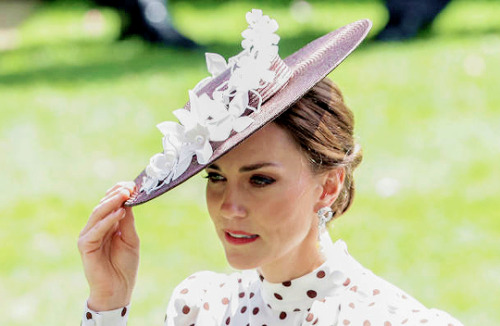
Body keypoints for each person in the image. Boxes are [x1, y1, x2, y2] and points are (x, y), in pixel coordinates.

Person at [78, 9, 464, 326]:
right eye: (216, 177)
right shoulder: (199, 308)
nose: (229, 207)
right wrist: (108, 304)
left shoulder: (393, 320)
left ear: (328, 187)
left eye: (260, 179)